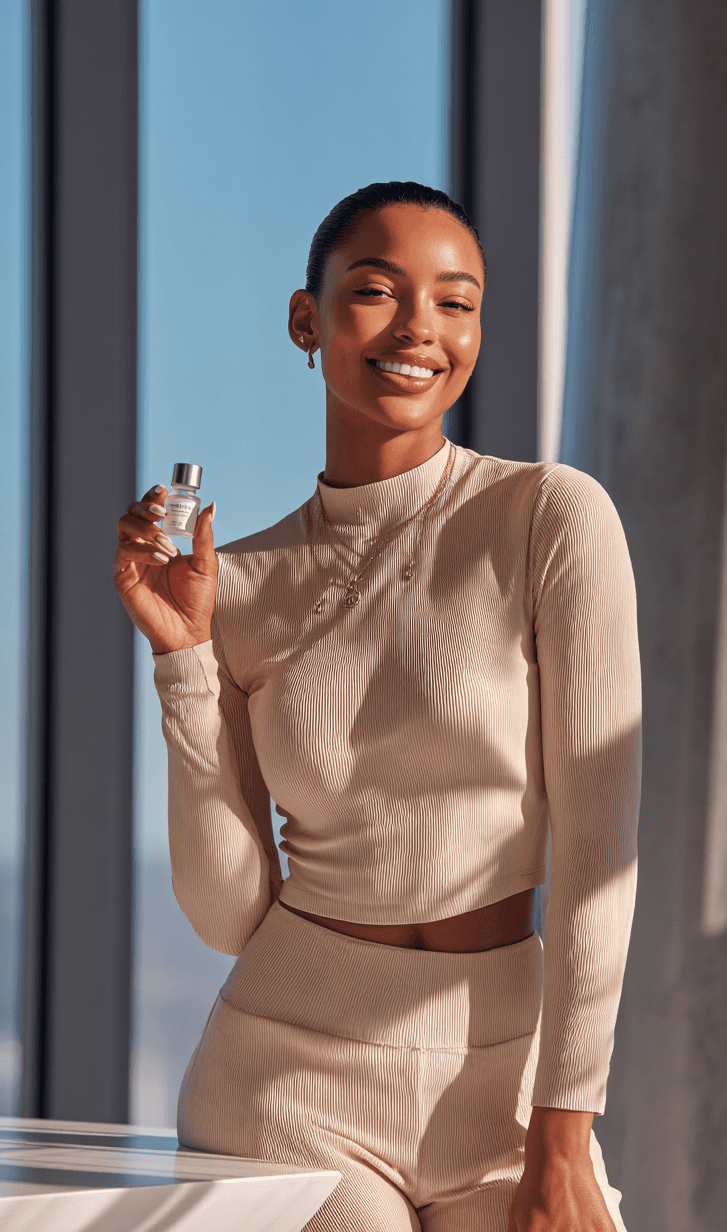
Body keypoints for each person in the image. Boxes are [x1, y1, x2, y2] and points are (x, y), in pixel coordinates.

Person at [114, 181, 641, 1232]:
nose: (419, 329)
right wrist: (184, 663)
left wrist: (564, 1129)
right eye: (375, 291)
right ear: (306, 320)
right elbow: (227, 912)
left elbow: (598, 850)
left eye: (456, 301)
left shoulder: (547, 516)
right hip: (287, 1079)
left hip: (507, 1085)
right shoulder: (240, 585)